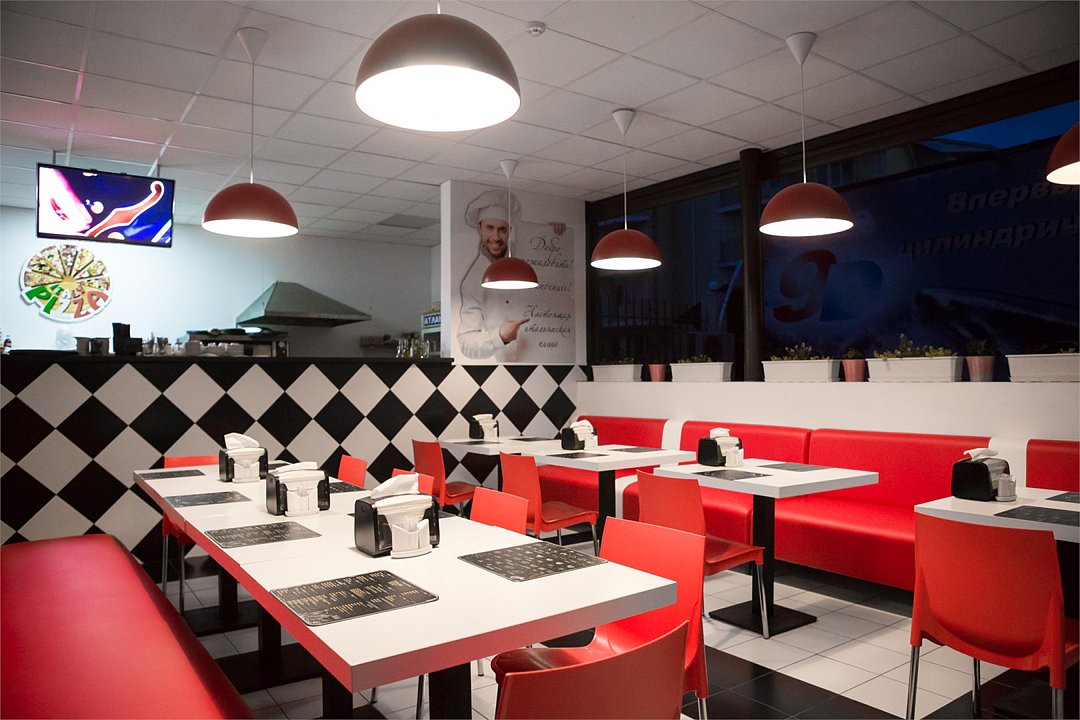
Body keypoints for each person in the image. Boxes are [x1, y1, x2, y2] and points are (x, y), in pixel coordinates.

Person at [457, 189, 529, 361]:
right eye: (490, 228)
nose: (496, 237)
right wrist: (499, 337)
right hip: (505, 367)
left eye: (502, 230)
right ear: (480, 228)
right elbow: (466, 343)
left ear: (509, 230)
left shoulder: (528, 256)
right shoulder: (472, 281)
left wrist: (556, 234)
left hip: (546, 357)